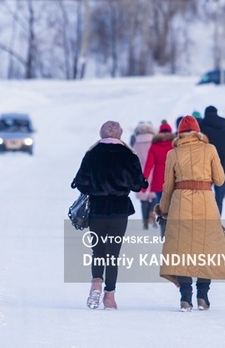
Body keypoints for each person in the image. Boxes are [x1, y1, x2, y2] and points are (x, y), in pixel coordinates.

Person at [156, 115, 225, 311]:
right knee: (207, 249)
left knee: (181, 250)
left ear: (179, 133)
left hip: (181, 203)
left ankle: (185, 298)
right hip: (206, 202)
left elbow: (168, 187)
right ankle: (203, 296)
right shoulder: (209, 149)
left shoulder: (173, 153)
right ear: (198, 132)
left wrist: (162, 209)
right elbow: (220, 180)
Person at [71, 120, 148, 310]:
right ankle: (109, 296)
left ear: (101, 134)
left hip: (97, 210)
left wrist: (95, 186)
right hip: (119, 210)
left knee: (97, 251)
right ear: (120, 135)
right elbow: (138, 184)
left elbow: (81, 182)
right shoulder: (128, 154)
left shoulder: (92, 154)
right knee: (113, 254)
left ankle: (96, 284)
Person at [198, 106, 225, 215]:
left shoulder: (201, 127)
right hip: (223, 166)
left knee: (204, 196)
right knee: (219, 198)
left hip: (205, 167)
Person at [141, 120, 175, 230]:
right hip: (173, 180)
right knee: (173, 207)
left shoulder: (154, 146)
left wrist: (143, 181)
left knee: (162, 209)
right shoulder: (175, 146)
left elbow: (148, 165)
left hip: (159, 181)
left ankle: (163, 233)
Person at [130, 121, 157, 229]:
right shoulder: (154, 142)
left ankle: (145, 221)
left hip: (140, 171)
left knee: (143, 197)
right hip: (153, 170)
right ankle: (152, 213)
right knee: (154, 195)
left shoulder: (135, 143)